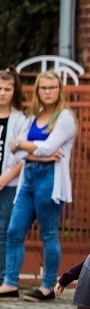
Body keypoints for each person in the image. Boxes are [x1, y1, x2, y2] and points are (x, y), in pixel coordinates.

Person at [0, 71, 75, 302]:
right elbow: (15, 149)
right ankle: (10, 284)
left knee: (48, 234)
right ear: (37, 91)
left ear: (59, 90)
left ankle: (47, 287)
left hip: (49, 180)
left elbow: (47, 147)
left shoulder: (65, 118)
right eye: (43, 88)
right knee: (14, 230)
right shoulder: (35, 115)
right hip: (28, 178)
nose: (48, 92)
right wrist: (37, 152)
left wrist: (26, 146)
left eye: (52, 87)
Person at [0, 68, 27, 296]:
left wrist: (5, 178)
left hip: (8, 185)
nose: (2, 93)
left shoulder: (20, 120)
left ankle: (3, 278)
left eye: (7, 89)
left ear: (14, 91)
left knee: (4, 231)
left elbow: (24, 158)